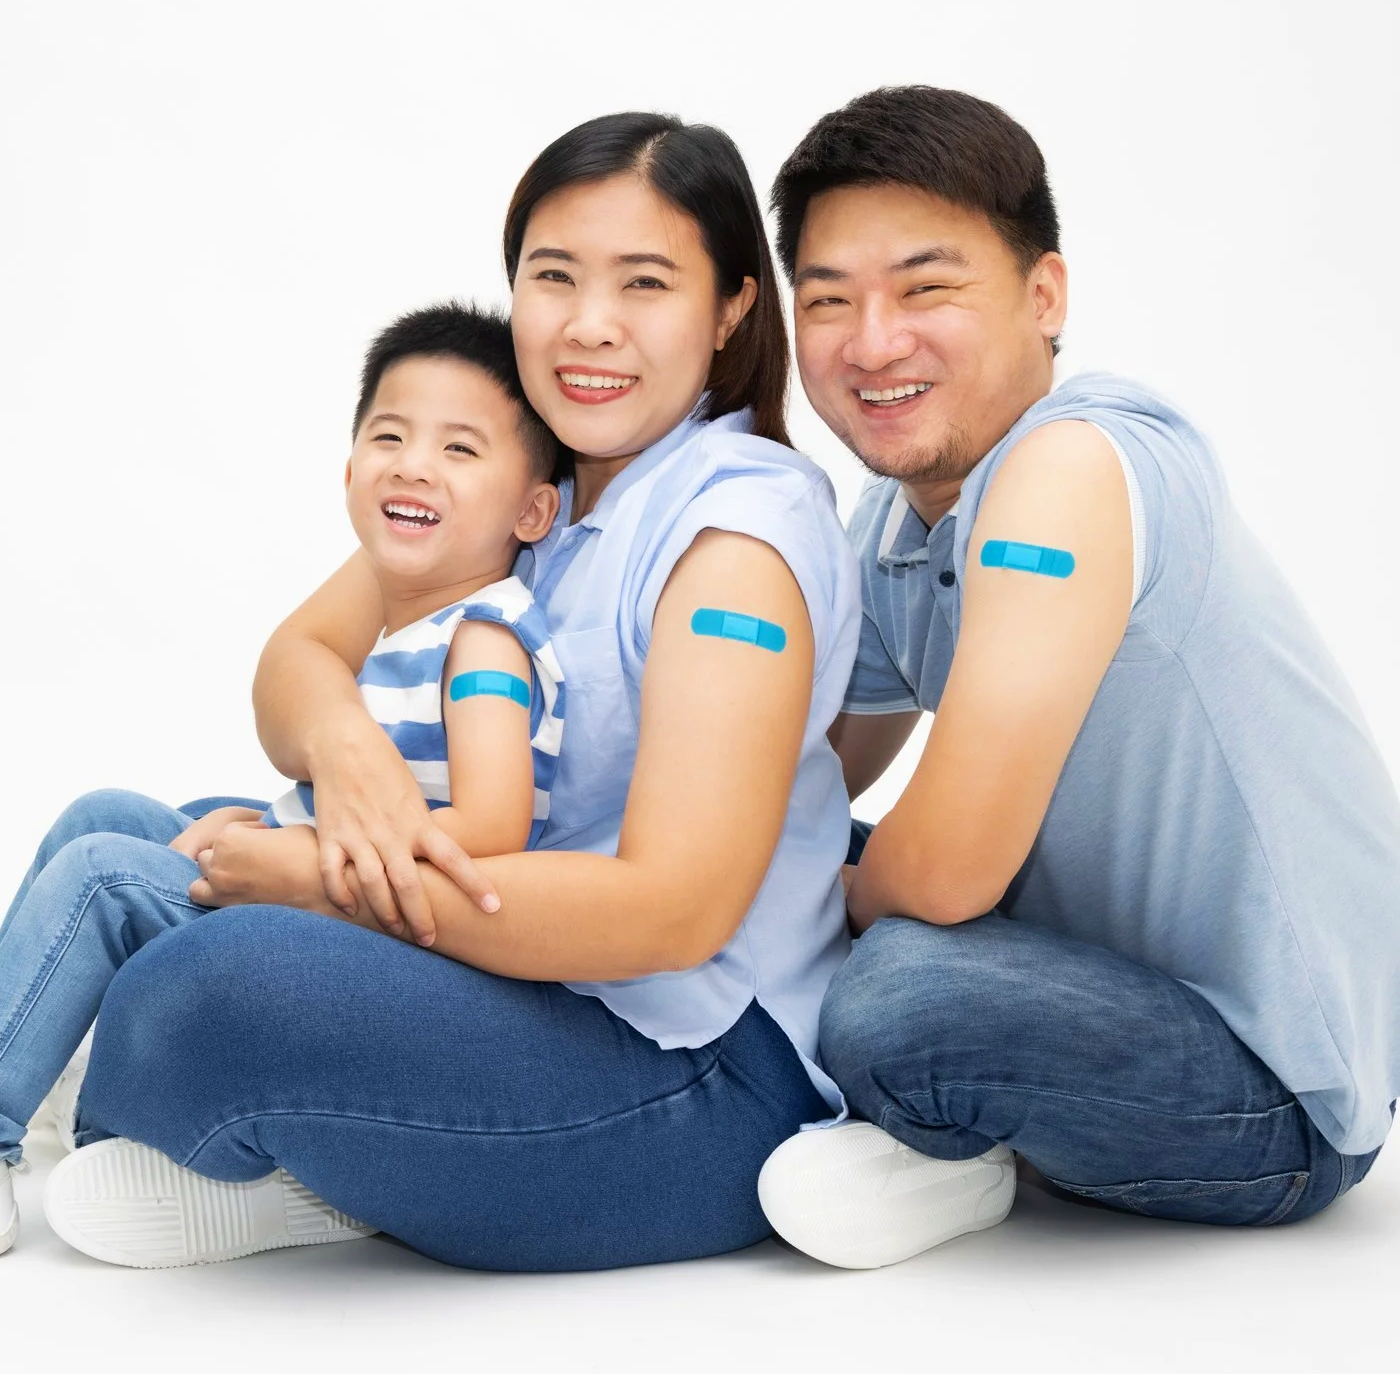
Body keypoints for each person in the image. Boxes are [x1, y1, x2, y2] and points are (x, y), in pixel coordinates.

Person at [39, 111, 861, 1271]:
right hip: (521, 976)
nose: (589, 324)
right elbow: (296, 661)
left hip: (690, 1076)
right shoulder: (534, 474)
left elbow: (671, 912)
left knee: (207, 983)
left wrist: (333, 883)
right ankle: (326, 1167)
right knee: (121, 823)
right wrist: (350, 762)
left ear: (730, 306)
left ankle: (227, 1128)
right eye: (553, 274)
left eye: (644, 283)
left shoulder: (734, 538)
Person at [757, 85, 1400, 1269]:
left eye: (924, 288)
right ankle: (934, 1119)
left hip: (1280, 1091)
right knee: (740, 850)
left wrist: (765, 897)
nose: (871, 341)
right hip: (1070, 973)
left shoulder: (1069, 467)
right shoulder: (892, 522)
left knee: (896, 997)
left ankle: (951, 1144)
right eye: (828, 298)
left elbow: (945, 872)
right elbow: (782, 786)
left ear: (1043, 295)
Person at [0, 302, 564, 1258]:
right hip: (320, 878)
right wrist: (282, 816)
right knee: (100, 814)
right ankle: (46, 1047)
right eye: (389, 436)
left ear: (532, 511)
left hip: (376, 931)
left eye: (460, 449)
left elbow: (498, 824)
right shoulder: (407, 622)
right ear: (348, 473)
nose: (414, 465)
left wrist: (301, 850)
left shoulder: (483, 644)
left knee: (102, 875)